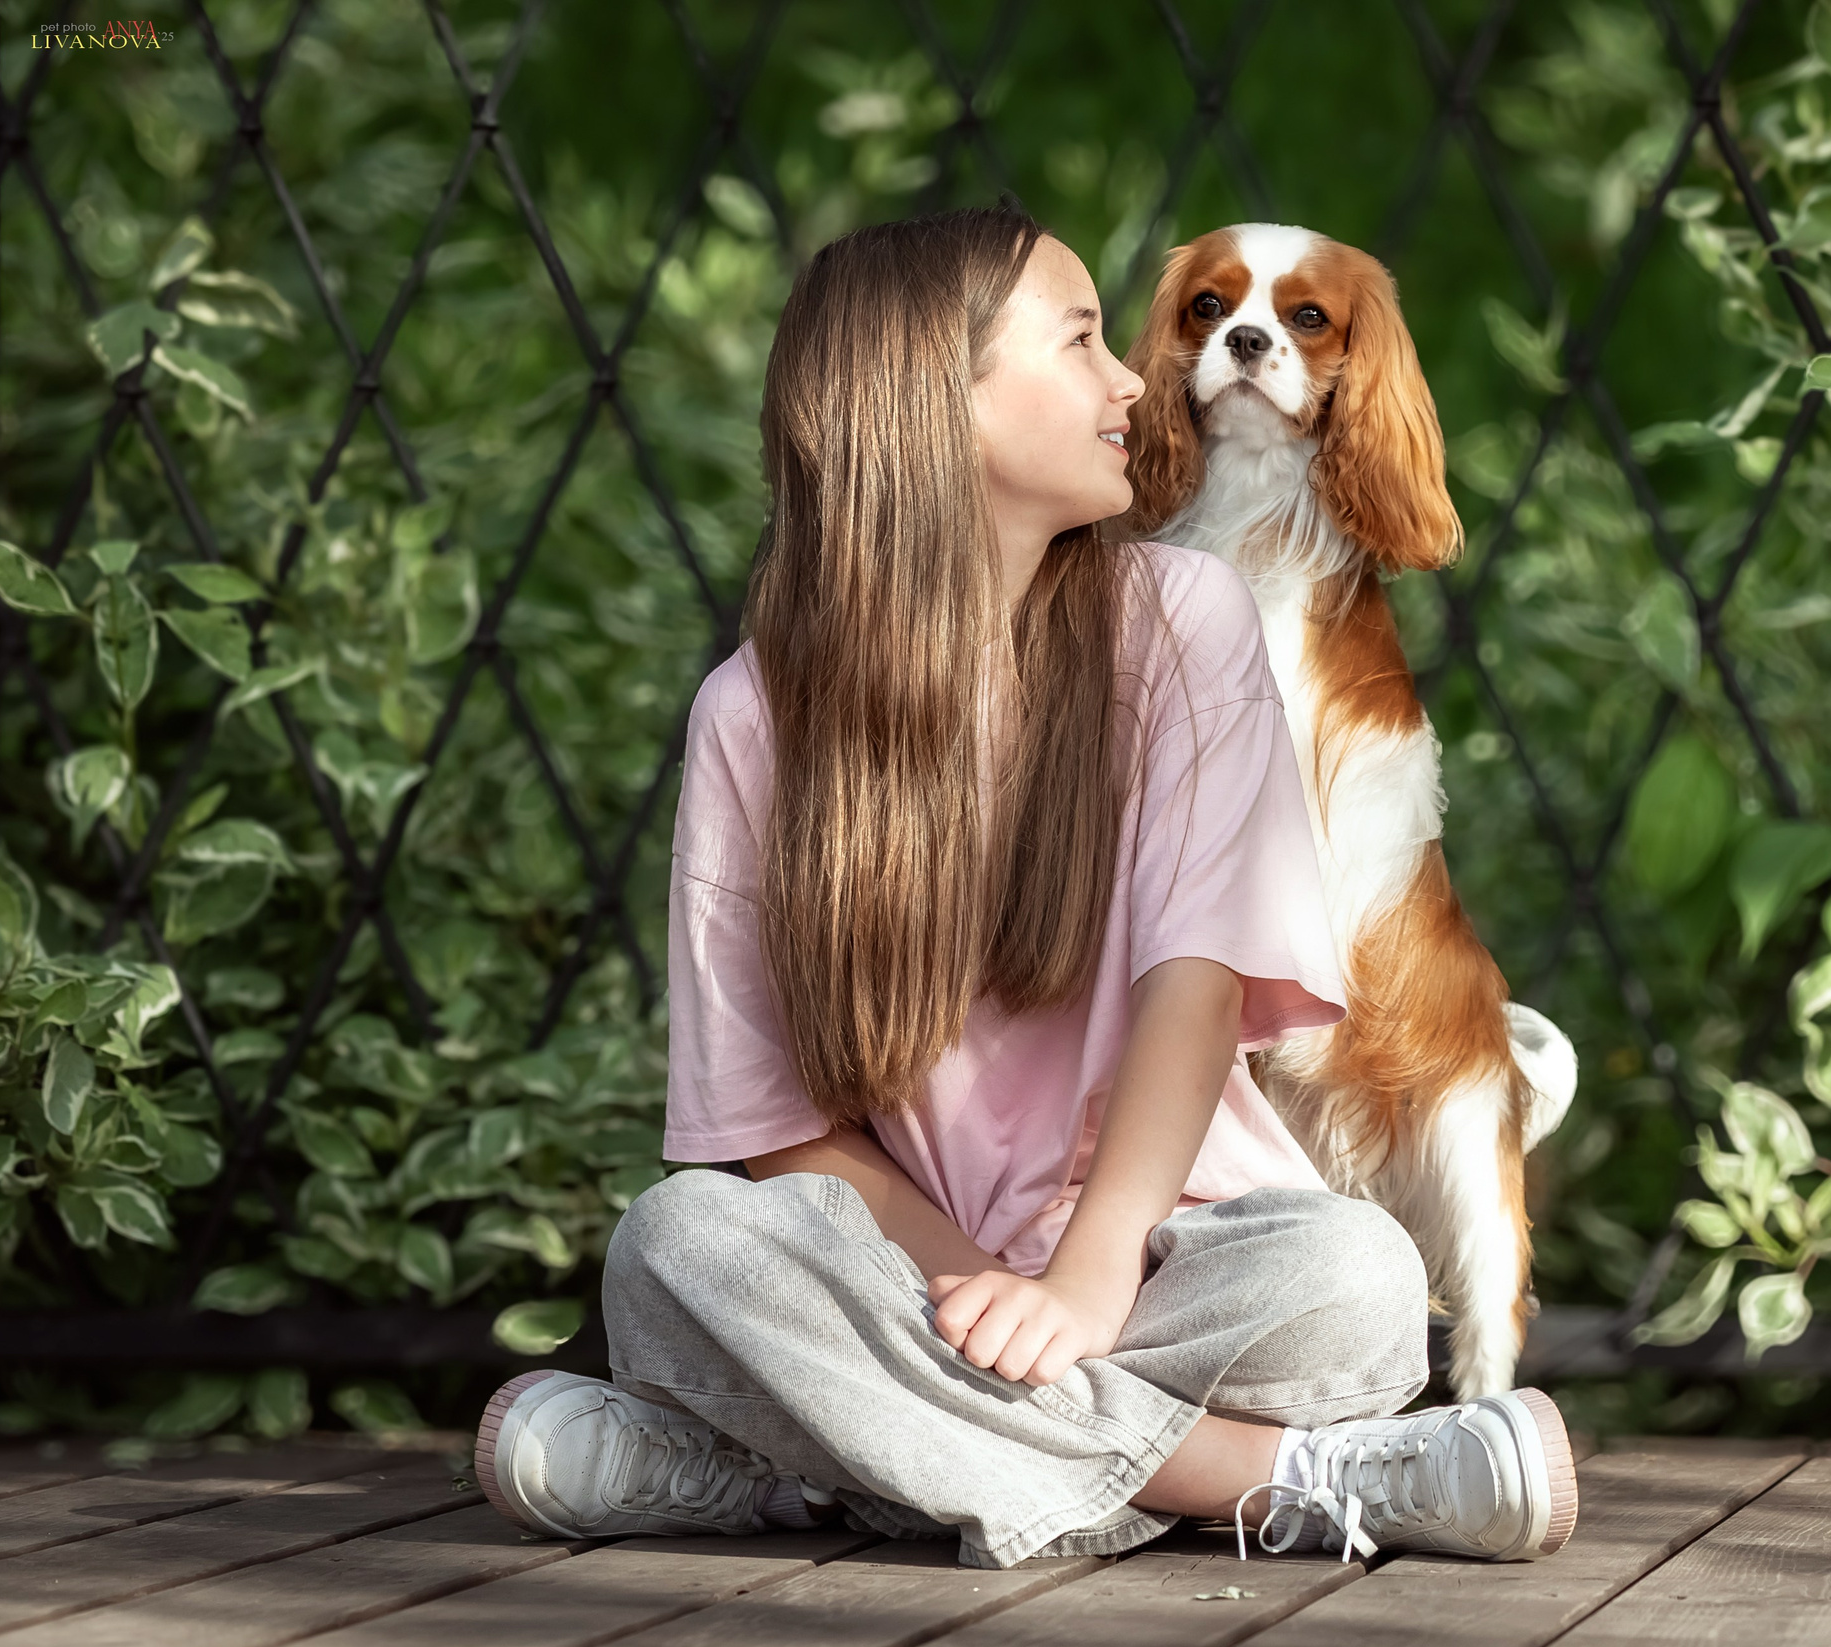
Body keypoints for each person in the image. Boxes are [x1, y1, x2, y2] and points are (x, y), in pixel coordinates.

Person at [468, 203, 1578, 1571]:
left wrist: (1089, 1273)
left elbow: (1196, 980)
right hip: (904, 1268)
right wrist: (983, 1291)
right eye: (1079, 340)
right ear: (940, 407)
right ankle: (1284, 1481)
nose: (1133, 378)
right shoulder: (754, 717)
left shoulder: (1180, 620)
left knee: (1357, 1281)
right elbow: (778, 1136)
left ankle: (794, 1473)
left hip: (1177, 1258)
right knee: (683, 1245)